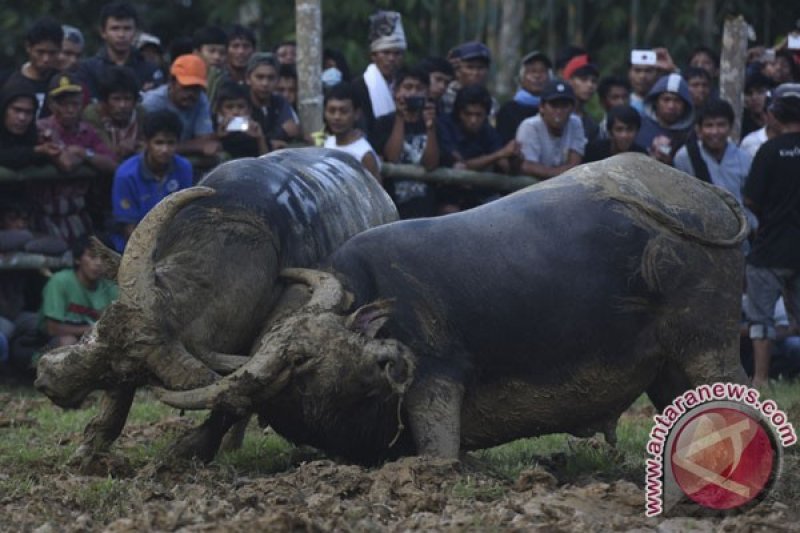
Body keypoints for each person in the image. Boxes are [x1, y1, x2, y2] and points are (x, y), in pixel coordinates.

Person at [742, 83, 800, 389]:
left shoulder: (768, 150)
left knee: (761, 320)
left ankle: (761, 379)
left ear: (774, 114)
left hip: (770, 250)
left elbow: (751, 200)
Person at [110, 110, 193, 252]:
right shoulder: (126, 175)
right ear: (146, 142)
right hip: (134, 248)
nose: (165, 150)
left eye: (170, 143)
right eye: (159, 143)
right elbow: (129, 227)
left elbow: (185, 214)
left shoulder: (184, 167)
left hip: (173, 242)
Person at [673, 99, 756, 234]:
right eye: (709, 126)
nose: (715, 132)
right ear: (699, 130)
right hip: (701, 232)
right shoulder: (685, 157)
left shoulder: (744, 158)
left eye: (721, 125)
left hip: (739, 232)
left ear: (730, 127)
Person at [369, 66, 440, 218]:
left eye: (419, 88)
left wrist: (430, 127)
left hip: (426, 208)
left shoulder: (435, 123)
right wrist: (400, 118)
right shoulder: (384, 123)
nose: (413, 93)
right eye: (408, 87)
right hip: (393, 206)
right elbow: (392, 158)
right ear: (396, 91)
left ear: (427, 93)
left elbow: (431, 164)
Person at [38, 235, 118, 348]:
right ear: (77, 259)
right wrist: (92, 329)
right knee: (69, 341)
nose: (98, 263)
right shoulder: (60, 281)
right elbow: (52, 328)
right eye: (92, 256)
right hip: (53, 343)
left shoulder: (111, 288)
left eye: (104, 258)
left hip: (95, 342)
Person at [77, 1, 163, 99]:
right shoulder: (88, 70)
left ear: (136, 32)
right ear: (103, 32)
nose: (121, 35)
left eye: (127, 29)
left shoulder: (150, 70)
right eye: (115, 29)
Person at [37, 72, 117, 176]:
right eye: (64, 104)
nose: (70, 110)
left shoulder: (87, 130)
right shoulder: (42, 127)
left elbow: (113, 165)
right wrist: (93, 158)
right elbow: (67, 164)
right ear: (52, 105)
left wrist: (83, 153)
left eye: (75, 104)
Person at [141, 54, 219, 157]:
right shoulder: (152, 102)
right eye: (186, 88)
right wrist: (196, 146)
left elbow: (205, 140)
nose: (191, 93)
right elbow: (147, 146)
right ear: (171, 83)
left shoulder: (201, 99)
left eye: (196, 88)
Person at [515, 79, 586, 179]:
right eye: (554, 105)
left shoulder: (576, 123)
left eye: (564, 106)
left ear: (572, 108)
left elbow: (575, 163)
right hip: (532, 185)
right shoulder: (530, 126)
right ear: (541, 107)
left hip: (565, 183)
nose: (559, 111)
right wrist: (560, 173)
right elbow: (527, 166)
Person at [352, 10, 407, 138]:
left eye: (397, 53)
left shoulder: (406, 84)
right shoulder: (358, 86)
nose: (391, 58)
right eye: (386, 53)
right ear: (374, 56)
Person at [323, 82, 381, 183]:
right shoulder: (329, 142)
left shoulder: (364, 155)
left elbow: (375, 195)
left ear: (356, 114)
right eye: (332, 111)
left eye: (344, 111)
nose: (337, 117)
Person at [82, 65, 144, 162]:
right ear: (104, 101)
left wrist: (135, 144)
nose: (122, 105)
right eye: (116, 99)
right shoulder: (93, 115)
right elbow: (105, 150)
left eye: (127, 99)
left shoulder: (141, 114)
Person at [5, 17, 63, 117]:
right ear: (28, 47)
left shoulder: (63, 83)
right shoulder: (6, 81)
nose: (46, 59)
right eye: (40, 52)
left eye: (52, 53)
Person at [635, 73, 695, 165]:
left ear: (685, 105)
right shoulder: (638, 126)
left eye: (677, 101)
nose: (671, 106)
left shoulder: (692, 133)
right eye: (666, 99)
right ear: (656, 102)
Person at [0, 79, 61, 169]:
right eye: (17, 110)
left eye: (28, 112)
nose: (22, 117)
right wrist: (36, 151)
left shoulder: (34, 135)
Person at [246, 53, 300, 149]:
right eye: (260, 77)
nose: (265, 83)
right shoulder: (240, 102)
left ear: (277, 80)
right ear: (248, 79)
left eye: (271, 78)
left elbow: (291, 129)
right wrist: (271, 140)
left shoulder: (280, 102)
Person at [496, 51, 551, 144]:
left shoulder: (555, 107)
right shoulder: (508, 110)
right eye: (531, 71)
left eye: (542, 71)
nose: (537, 76)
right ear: (521, 78)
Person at [213, 81, 268, 158]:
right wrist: (218, 137)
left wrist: (260, 138)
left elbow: (265, 160)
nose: (235, 112)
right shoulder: (213, 125)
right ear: (220, 110)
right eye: (229, 107)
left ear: (249, 110)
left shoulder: (256, 125)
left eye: (241, 106)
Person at [441, 41, 495, 116]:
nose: (475, 73)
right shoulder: (443, 97)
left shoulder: (491, 103)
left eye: (481, 68)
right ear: (458, 70)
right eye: (470, 67)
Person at [562, 53, 600, 142]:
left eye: (594, 81)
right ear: (569, 81)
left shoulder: (591, 125)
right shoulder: (554, 115)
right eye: (583, 79)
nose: (590, 85)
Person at [192, 25, 228, 105]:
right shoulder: (187, 80)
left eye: (222, 53)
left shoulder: (227, 82)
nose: (217, 57)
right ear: (196, 53)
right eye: (211, 51)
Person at [742, 72, 774, 138]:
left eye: (760, 92)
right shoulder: (742, 122)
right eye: (749, 93)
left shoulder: (776, 119)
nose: (754, 98)